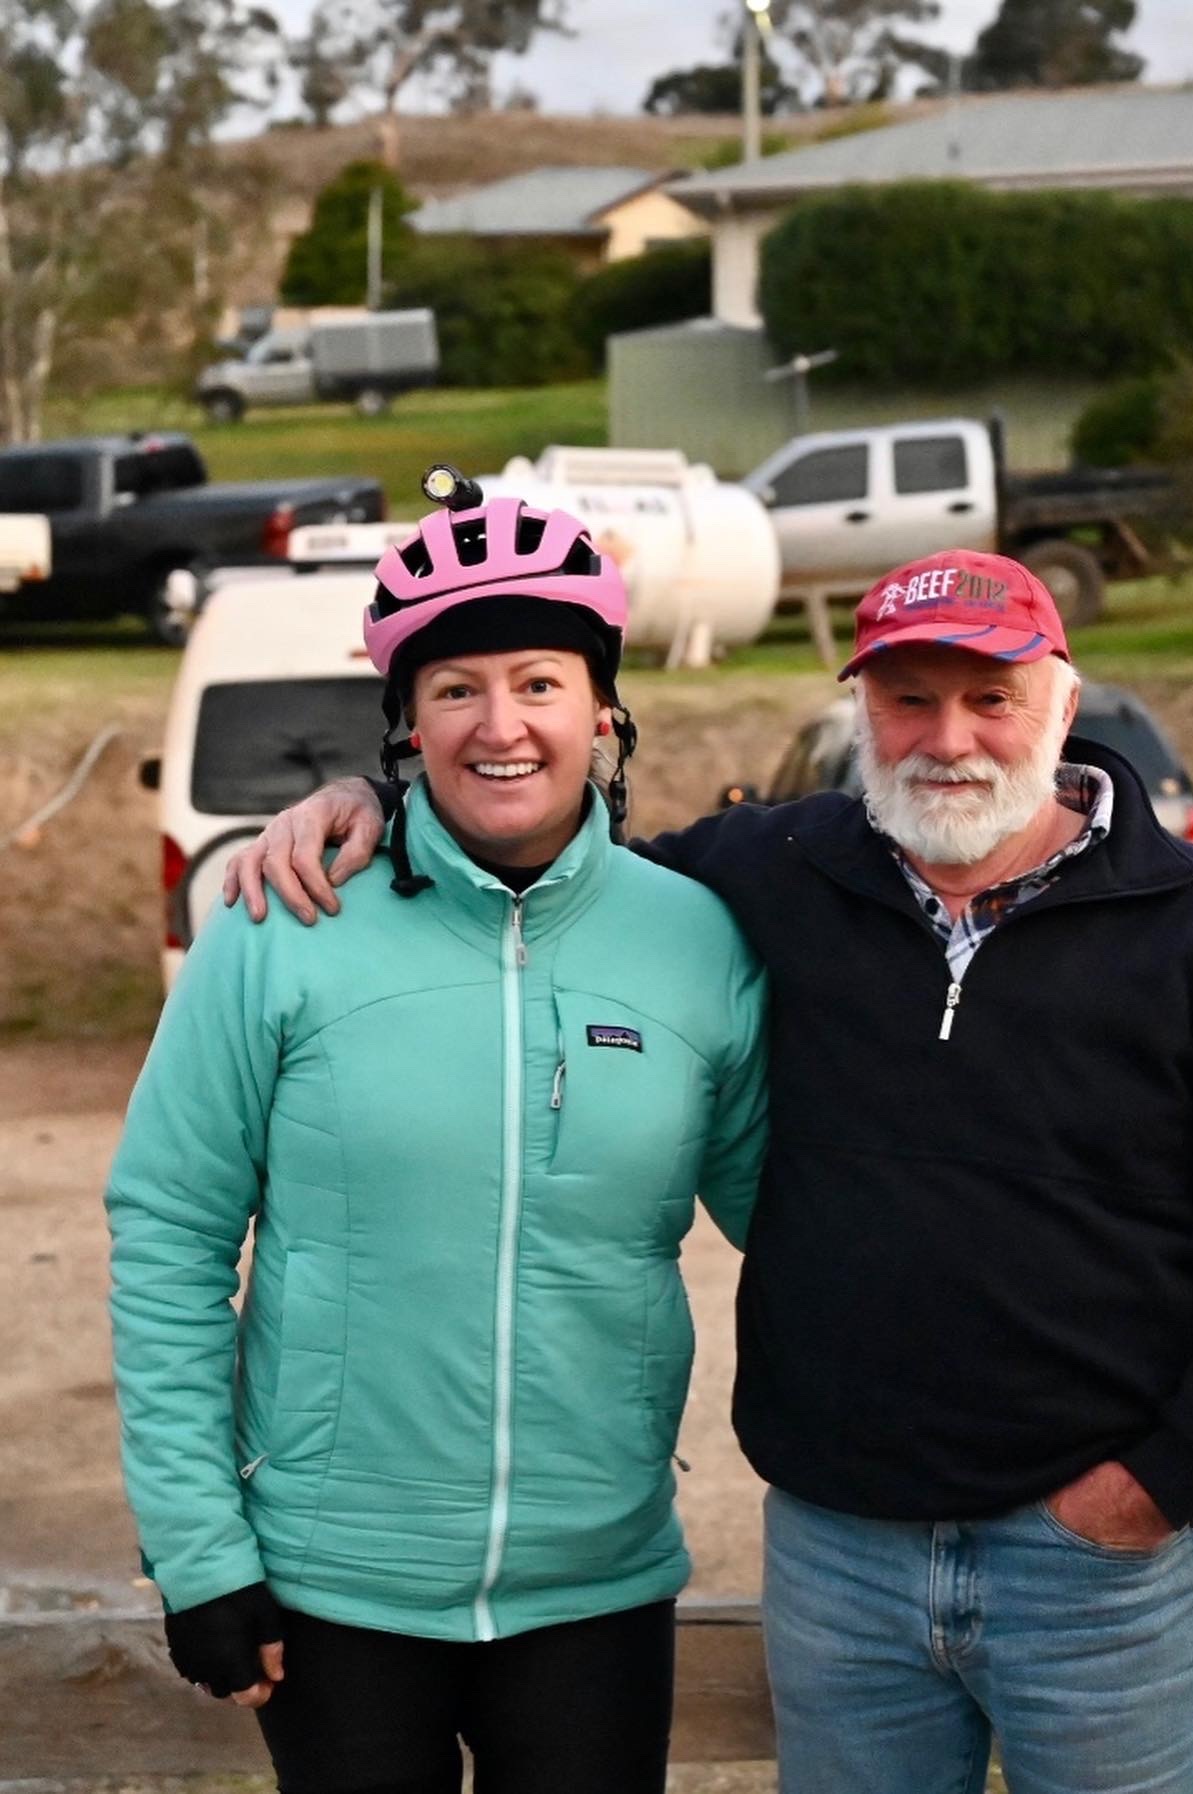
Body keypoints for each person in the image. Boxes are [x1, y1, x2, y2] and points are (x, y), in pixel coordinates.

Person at [226, 547, 1193, 1794]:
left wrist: (1155, 1488)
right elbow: (545, 848)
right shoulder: (767, 873)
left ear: (1060, 704)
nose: (948, 736)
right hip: (843, 1558)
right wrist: (367, 797)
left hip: (1099, 1564)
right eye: (908, 698)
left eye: (990, 698)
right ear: (861, 711)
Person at [107, 478, 769, 1794]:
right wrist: (199, 1548)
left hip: (596, 1579)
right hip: (334, 1585)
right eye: (455, 686)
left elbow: (801, 1220)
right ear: (404, 721)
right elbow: (169, 1236)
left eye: (540, 680)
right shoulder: (277, 919)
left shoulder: (698, 938)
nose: (501, 722)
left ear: (603, 710)